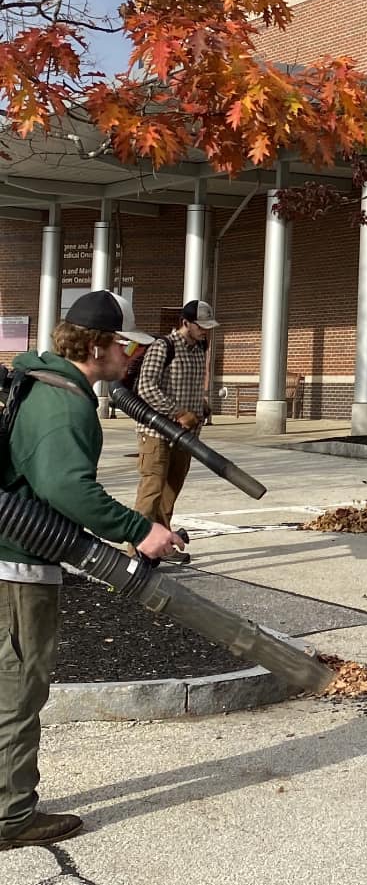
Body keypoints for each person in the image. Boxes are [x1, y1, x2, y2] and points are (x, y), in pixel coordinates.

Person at [0, 291, 184, 849]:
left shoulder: (42, 382)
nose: (133, 357)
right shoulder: (64, 403)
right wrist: (140, 529)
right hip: (20, 566)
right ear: (100, 345)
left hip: (11, 556)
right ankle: (10, 817)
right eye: (127, 346)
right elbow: (64, 487)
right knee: (19, 688)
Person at [132, 299, 219, 551]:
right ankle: (135, 551)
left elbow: (190, 386)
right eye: (201, 326)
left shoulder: (200, 348)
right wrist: (178, 412)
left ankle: (159, 546)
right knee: (151, 492)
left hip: (186, 436)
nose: (205, 331)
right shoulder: (163, 347)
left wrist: (201, 404)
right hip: (156, 433)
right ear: (185, 323)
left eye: (208, 327)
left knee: (169, 494)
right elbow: (145, 387)